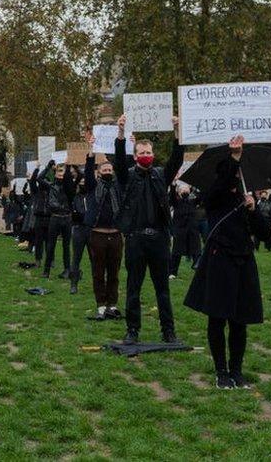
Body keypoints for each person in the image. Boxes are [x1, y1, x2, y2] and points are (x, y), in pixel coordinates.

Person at [184, 135, 269, 389]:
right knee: (217, 317)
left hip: (243, 259)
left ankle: (237, 370)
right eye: (232, 174)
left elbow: (265, 235)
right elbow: (217, 192)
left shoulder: (246, 199)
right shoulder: (215, 196)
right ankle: (221, 371)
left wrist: (254, 210)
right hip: (219, 259)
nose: (235, 178)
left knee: (239, 320)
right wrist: (233, 158)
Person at [115, 114, 184, 345]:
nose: (145, 156)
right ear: (135, 157)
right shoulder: (129, 177)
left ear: (153, 155)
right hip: (135, 239)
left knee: (162, 289)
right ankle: (132, 330)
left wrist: (177, 131)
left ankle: (168, 330)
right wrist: (122, 134)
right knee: (133, 288)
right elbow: (118, 164)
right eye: (141, 153)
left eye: (148, 153)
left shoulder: (160, 175)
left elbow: (177, 159)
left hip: (159, 239)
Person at [82, 141, 123, 319]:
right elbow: (87, 169)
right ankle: (100, 305)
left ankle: (112, 305)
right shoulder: (93, 187)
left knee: (114, 273)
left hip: (115, 235)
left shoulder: (118, 187)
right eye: (104, 170)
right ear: (98, 172)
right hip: (97, 234)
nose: (107, 172)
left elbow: (123, 165)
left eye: (109, 170)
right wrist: (91, 151)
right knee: (98, 272)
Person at [42, 162, 72, 279]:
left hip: (66, 217)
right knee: (51, 245)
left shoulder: (69, 186)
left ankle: (67, 269)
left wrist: (69, 165)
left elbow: (79, 177)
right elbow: (39, 178)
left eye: (62, 173)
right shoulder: (51, 185)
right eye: (58, 173)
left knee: (66, 246)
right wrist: (48, 166)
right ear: (55, 174)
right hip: (55, 217)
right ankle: (46, 270)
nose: (60, 175)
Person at [168, 183, 201, 279]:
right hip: (180, 230)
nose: (184, 191)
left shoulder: (193, 202)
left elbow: (201, 196)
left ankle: (198, 270)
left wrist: (195, 187)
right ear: (179, 192)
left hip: (192, 230)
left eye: (186, 189)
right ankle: (172, 272)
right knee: (176, 252)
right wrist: (173, 185)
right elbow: (172, 196)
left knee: (196, 250)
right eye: (182, 189)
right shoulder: (176, 202)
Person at [68, 168, 89, 294]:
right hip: (78, 228)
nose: (83, 182)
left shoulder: (92, 195)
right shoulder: (74, 196)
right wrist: (72, 163)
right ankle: (74, 284)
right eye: (81, 181)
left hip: (90, 229)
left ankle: (98, 284)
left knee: (95, 258)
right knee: (76, 258)